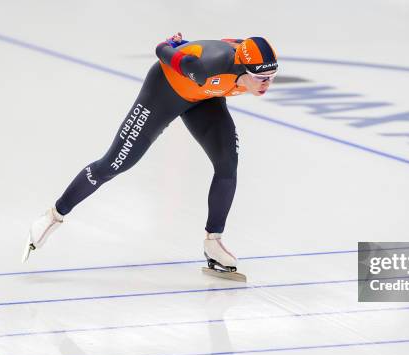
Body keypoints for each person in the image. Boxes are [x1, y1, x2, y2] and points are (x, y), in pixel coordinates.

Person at [22, 34, 278, 277]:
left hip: (204, 98)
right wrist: (170, 44)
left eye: (272, 76)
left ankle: (214, 242)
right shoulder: (207, 67)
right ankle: (53, 216)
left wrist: (189, 44)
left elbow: (228, 42)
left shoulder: (243, 61)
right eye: (261, 77)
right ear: (243, 69)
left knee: (227, 165)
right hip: (164, 93)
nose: (267, 83)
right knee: (114, 163)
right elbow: (162, 51)